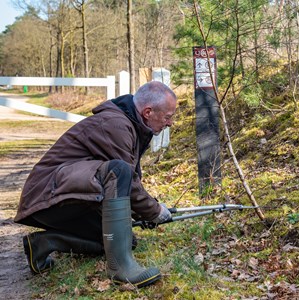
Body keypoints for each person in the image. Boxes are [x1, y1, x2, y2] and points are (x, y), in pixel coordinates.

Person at [14, 81, 177, 288]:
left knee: (121, 241)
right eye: (168, 116)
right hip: (46, 197)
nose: (170, 123)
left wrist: (143, 212)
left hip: (66, 198)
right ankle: (120, 269)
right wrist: (154, 211)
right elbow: (124, 178)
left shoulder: (129, 125)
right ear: (147, 112)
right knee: (117, 171)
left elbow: (126, 187)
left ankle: (44, 243)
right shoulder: (115, 124)